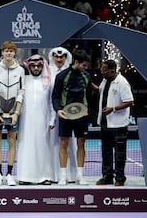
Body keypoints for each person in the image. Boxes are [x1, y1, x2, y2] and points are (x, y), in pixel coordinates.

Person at [52, 49, 92, 185]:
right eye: (84, 65)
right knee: (64, 143)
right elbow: (55, 96)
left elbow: (89, 95)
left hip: (82, 116)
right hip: (65, 115)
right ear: (76, 62)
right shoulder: (62, 76)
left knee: (81, 143)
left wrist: (87, 110)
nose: (85, 68)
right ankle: (63, 176)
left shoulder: (86, 76)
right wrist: (58, 110)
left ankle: (80, 176)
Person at [0, 41, 25, 186]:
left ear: (14, 53)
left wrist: (16, 113)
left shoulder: (20, 70)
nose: (9, 53)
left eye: (11, 51)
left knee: (12, 143)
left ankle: (9, 174)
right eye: (6, 51)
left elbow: (21, 93)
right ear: (2, 53)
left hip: (13, 114)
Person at [96, 60, 134, 186]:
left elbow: (129, 101)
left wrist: (112, 108)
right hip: (105, 122)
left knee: (119, 153)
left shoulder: (122, 83)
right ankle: (107, 176)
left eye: (105, 70)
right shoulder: (105, 80)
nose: (102, 72)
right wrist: (87, 82)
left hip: (118, 125)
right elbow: (100, 90)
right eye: (102, 69)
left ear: (113, 70)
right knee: (106, 152)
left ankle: (120, 178)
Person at [16, 54, 52, 185]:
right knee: (26, 147)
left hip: (44, 121)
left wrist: (52, 120)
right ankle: (25, 176)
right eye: (33, 66)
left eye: (38, 66)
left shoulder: (48, 82)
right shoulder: (24, 80)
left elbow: (52, 103)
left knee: (43, 148)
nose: (36, 68)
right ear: (29, 67)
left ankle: (44, 176)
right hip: (26, 122)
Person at [48, 47, 78, 183]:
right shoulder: (46, 72)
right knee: (52, 145)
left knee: (70, 145)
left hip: (69, 115)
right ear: (52, 57)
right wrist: (52, 116)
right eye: (56, 57)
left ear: (66, 58)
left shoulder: (72, 73)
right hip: (51, 114)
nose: (59, 60)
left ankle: (71, 175)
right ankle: (53, 175)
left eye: (62, 57)